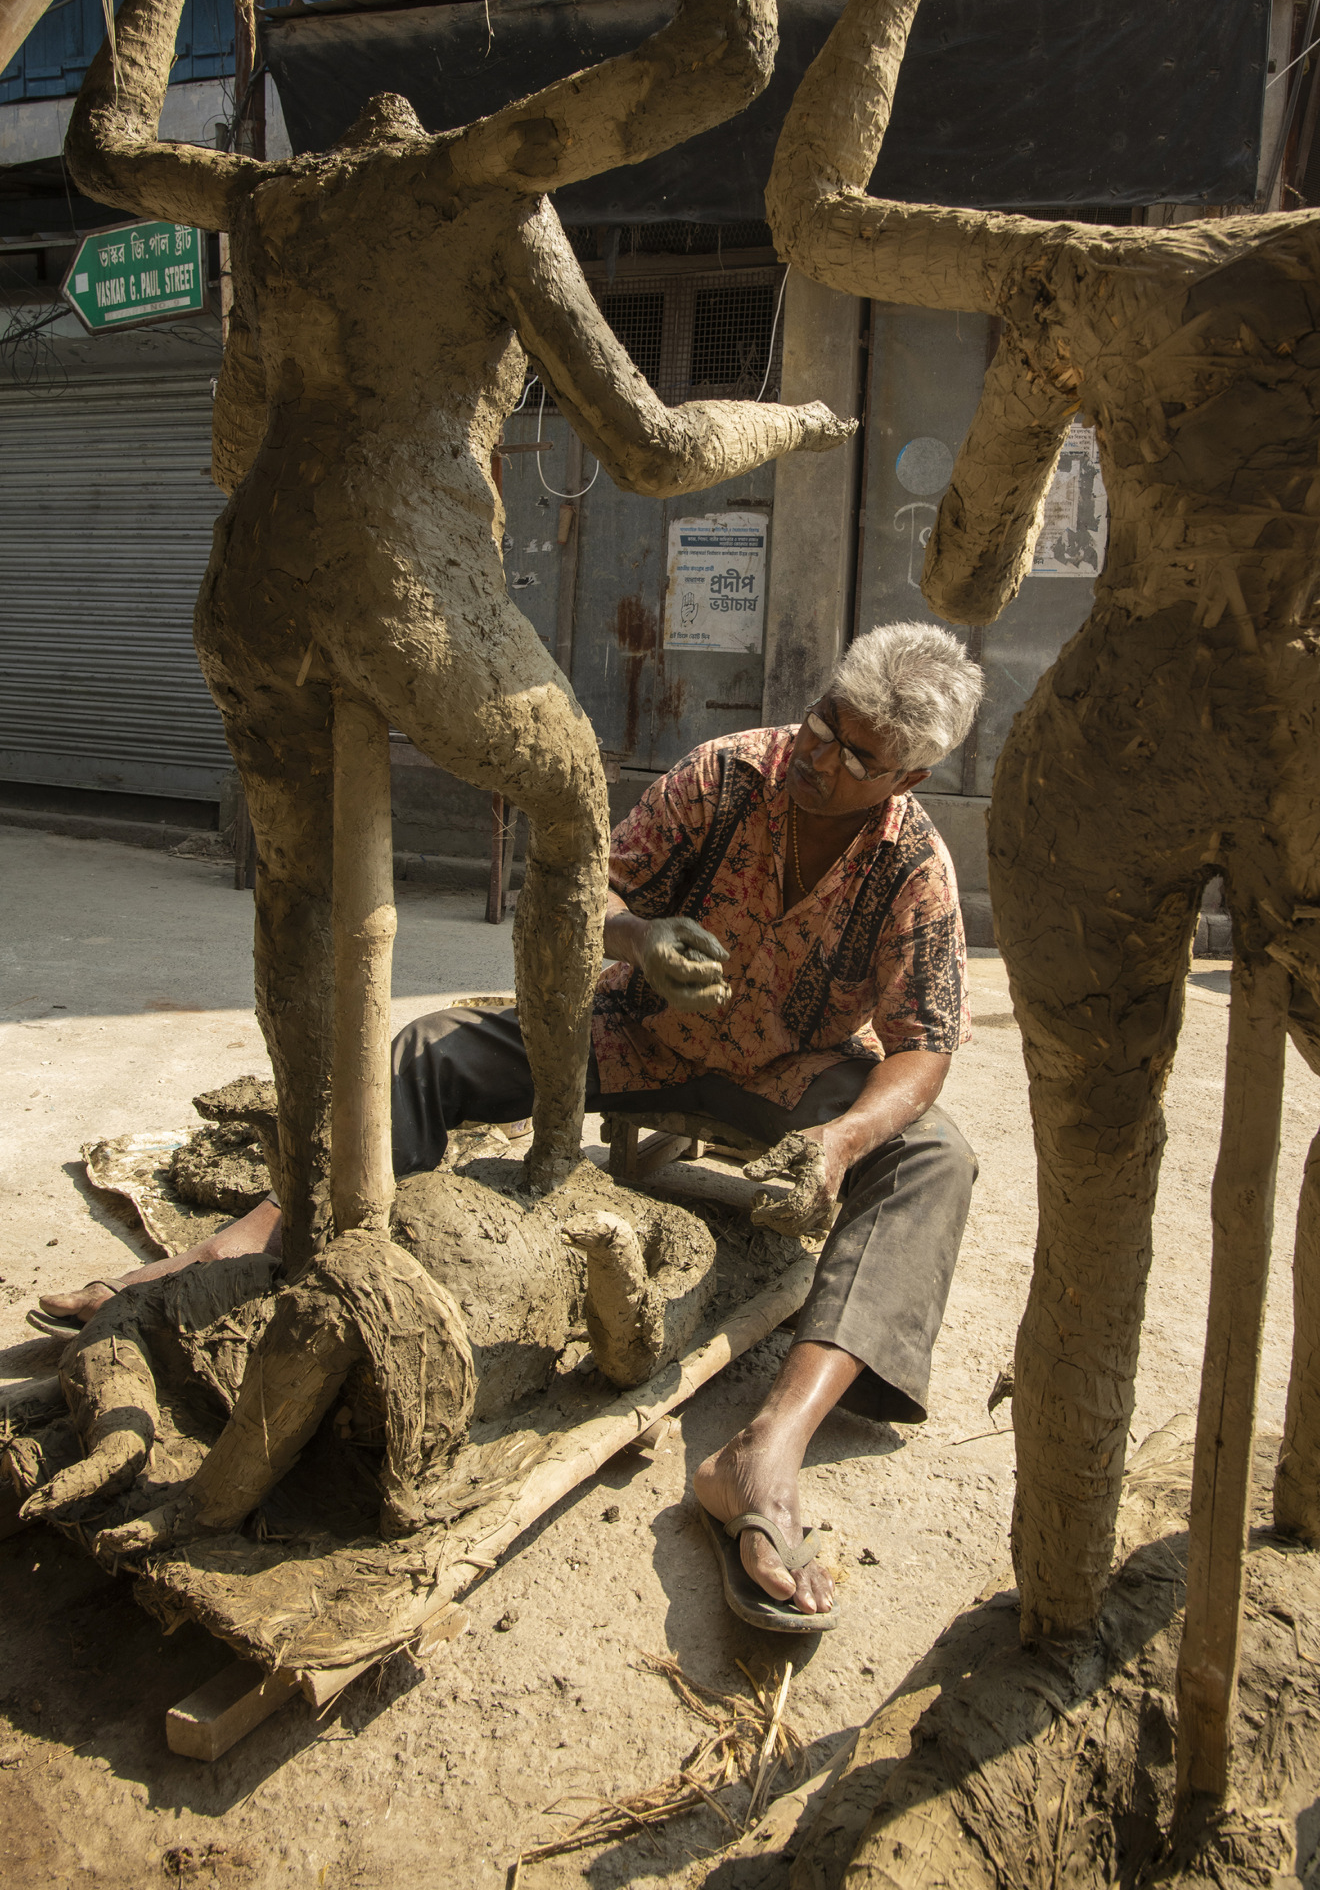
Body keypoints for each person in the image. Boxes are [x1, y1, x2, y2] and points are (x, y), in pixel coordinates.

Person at [39, 619, 982, 1631]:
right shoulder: (726, 773)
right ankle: (246, 1245)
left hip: (785, 1072)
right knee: (430, 1046)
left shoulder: (914, 865)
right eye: (822, 722)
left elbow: (924, 1043)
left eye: (855, 756)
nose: (819, 757)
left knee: (933, 1155)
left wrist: (841, 1141)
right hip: (634, 1035)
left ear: (908, 776)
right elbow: (584, 887)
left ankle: (765, 1449)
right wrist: (639, 938)